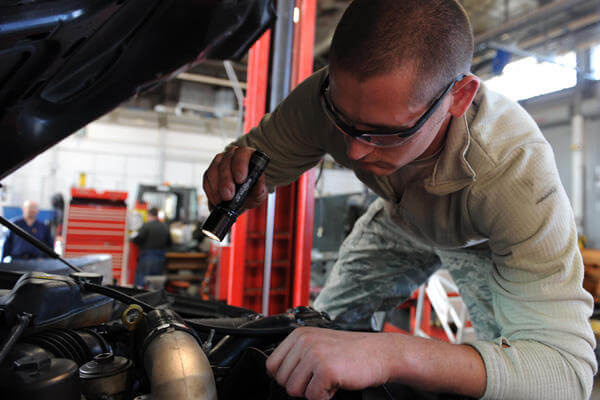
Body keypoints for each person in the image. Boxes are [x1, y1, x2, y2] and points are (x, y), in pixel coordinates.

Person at [202, 0, 596, 399]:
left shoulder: (515, 173)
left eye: (383, 132)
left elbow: (563, 373)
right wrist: (235, 179)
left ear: (459, 96)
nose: (354, 151)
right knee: (324, 335)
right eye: (343, 121)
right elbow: (254, 160)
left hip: (485, 242)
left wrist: (394, 353)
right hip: (399, 221)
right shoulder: (323, 100)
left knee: (509, 382)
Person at [131, 207, 171, 287]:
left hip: (147, 257)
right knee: (156, 283)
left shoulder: (147, 226)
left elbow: (138, 239)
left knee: (141, 283)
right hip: (160, 258)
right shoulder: (165, 226)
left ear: (149, 215)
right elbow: (169, 243)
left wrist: (133, 239)